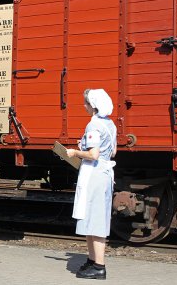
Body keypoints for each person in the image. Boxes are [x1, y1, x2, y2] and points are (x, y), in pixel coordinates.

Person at [65, 89, 117, 280]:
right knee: (93, 217)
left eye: (86, 103)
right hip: (105, 173)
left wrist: (74, 152)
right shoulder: (110, 124)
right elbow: (112, 152)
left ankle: (99, 266)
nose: (84, 106)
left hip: (94, 174)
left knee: (95, 219)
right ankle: (92, 260)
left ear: (93, 106)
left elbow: (93, 155)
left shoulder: (93, 125)